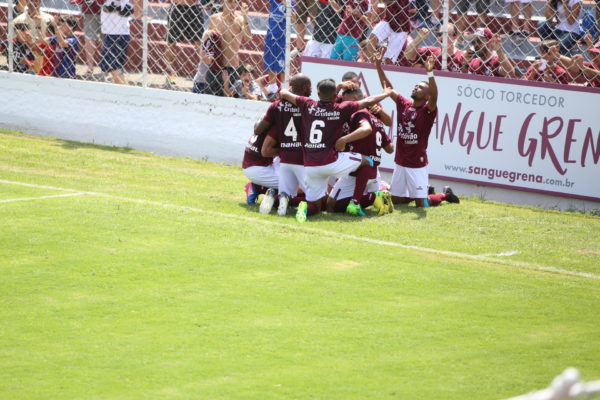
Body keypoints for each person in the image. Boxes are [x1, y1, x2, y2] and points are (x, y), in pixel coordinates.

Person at [279, 78, 393, 221]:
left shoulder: (307, 104)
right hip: (332, 161)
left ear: (318, 94)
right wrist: (385, 94)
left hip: (310, 166)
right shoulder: (341, 109)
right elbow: (367, 101)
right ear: (335, 96)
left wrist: (284, 90)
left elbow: (284, 93)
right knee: (368, 160)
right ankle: (367, 197)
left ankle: (304, 207)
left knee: (317, 205)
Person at [375, 48, 438, 208]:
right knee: (396, 201)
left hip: (417, 163)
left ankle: (442, 195)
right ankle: (421, 192)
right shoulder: (404, 104)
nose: (415, 88)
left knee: (421, 204)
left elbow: (435, 97)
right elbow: (388, 89)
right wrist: (378, 65)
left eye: (420, 87)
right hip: (400, 161)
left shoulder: (427, 110)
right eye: (415, 86)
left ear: (426, 96)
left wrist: (429, 74)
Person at [327, 88, 395, 216]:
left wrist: (344, 139)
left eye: (345, 102)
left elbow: (367, 129)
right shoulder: (376, 119)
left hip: (360, 169)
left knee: (331, 205)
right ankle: (379, 192)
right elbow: (390, 148)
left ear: (355, 100)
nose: (344, 106)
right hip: (371, 169)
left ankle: (372, 197)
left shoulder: (359, 114)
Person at [258, 73, 312, 215]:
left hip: (285, 157)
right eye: (310, 86)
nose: (311, 90)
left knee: (286, 194)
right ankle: (281, 199)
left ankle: (273, 197)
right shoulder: (308, 104)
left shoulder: (277, 105)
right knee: (317, 200)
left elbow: (258, 129)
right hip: (302, 158)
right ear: (305, 87)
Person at [208, 0, 251, 92]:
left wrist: (245, 17)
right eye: (230, 1)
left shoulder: (240, 20)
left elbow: (248, 37)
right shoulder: (214, 19)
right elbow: (208, 41)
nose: (233, 5)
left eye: (235, 2)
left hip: (231, 65)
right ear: (223, 2)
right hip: (215, 64)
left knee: (231, 97)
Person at [164, 0, 208, 87]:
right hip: (177, 7)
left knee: (200, 44)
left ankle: (201, 78)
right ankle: (170, 78)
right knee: (171, 44)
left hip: (195, 7)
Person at [366, 0, 414, 64]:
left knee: (389, 59)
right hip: (388, 20)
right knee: (372, 38)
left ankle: (384, 70)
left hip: (402, 27)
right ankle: (371, 65)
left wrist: (403, 9)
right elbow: (386, 2)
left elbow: (414, 10)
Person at [243, 121, 279, 206]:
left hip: (252, 164)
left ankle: (256, 186)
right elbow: (265, 152)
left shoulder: (265, 119)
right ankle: (256, 188)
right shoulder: (276, 122)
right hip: (257, 167)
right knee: (291, 185)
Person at [100, 0, 133, 85]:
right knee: (115, 68)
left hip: (115, 33)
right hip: (115, 32)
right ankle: (122, 92)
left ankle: (128, 93)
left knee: (114, 68)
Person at [71, 0, 103, 78]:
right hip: (107, 8)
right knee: (105, 37)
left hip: (90, 7)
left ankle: (90, 67)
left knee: (90, 37)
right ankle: (106, 66)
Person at [263, 0, 287, 100]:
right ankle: (273, 87)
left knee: (281, 63)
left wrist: (288, 6)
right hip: (270, 36)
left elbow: (295, 19)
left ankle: (284, 87)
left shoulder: (290, 3)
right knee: (270, 61)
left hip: (281, 38)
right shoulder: (273, 1)